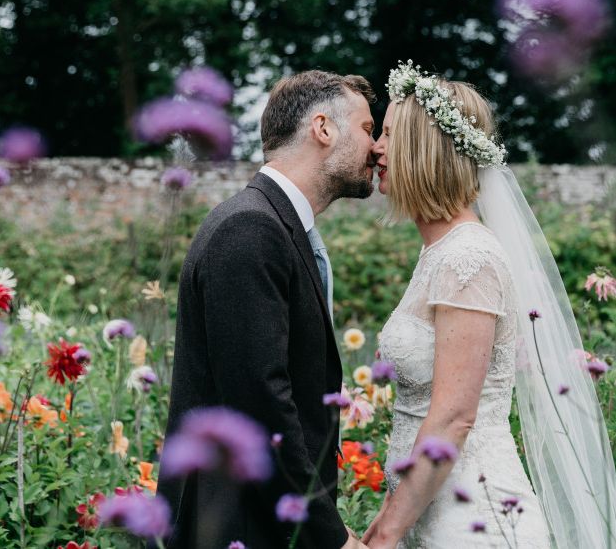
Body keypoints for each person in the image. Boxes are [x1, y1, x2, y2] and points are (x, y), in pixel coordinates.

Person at [362, 61, 616, 548]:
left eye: (389, 134)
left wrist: (387, 532)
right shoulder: (437, 251)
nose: (376, 147)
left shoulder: (469, 257)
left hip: (474, 520)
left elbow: (455, 416)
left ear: (422, 149)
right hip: (428, 511)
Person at [157, 70, 377, 548]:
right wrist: (328, 535)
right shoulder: (251, 230)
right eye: (366, 128)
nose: (376, 146)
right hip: (238, 524)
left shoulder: (272, 225)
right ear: (323, 129)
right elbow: (260, 405)